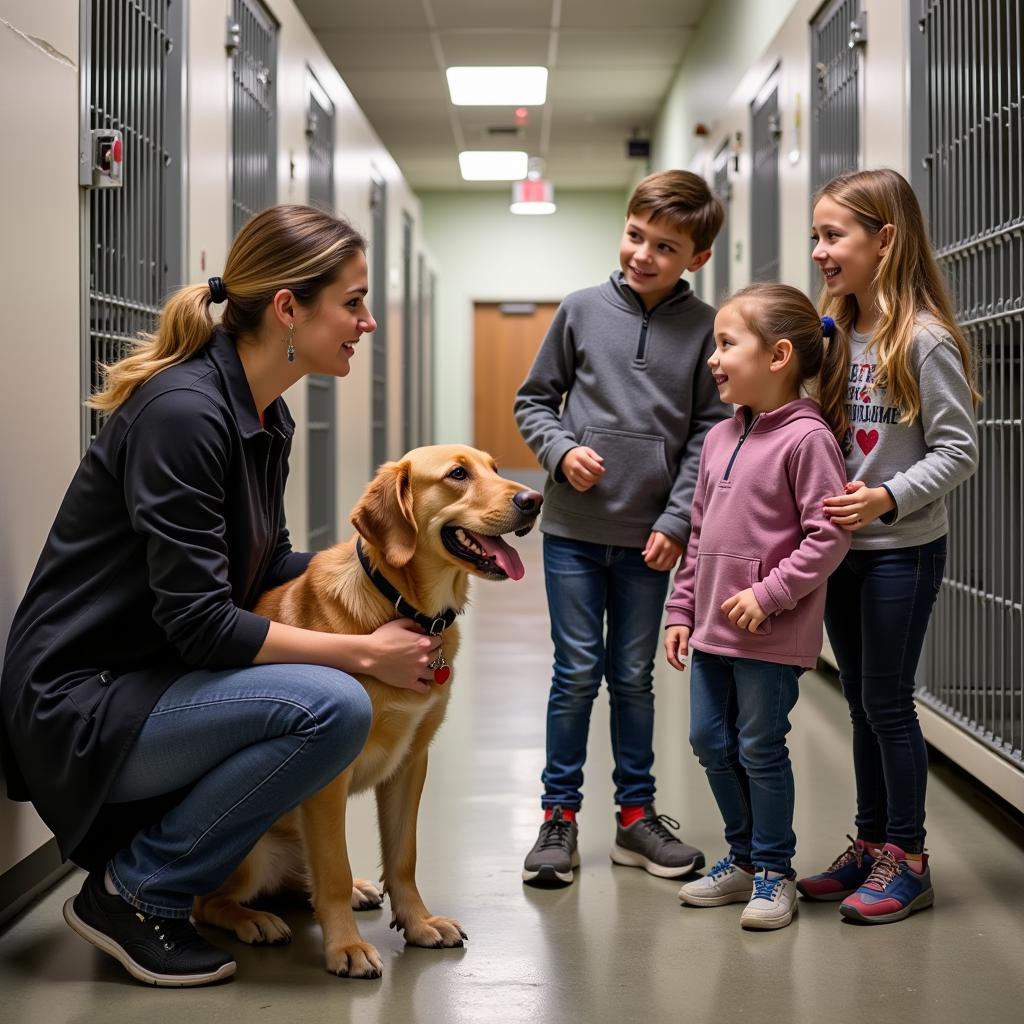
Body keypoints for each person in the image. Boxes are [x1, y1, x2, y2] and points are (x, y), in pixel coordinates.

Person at [0, 204, 444, 986]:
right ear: (286, 310)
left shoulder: (263, 414)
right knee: (332, 702)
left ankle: (192, 875)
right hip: (87, 709)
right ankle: (132, 892)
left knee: (332, 688)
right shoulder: (184, 414)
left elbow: (267, 561)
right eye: (352, 302)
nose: (367, 322)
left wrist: (381, 582)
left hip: (158, 688)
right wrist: (364, 648)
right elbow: (203, 624)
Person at [514, 170, 729, 887]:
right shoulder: (578, 311)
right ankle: (559, 818)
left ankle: (636, 819)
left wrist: (676, 519)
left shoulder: (706, 331)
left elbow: (710, 433)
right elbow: (534, 402)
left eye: (665, 247)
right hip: (574, 532)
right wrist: (560, 450)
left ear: (695, 259)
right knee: (575, 672)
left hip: (650, 541)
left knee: (632, 676)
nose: (643, 254)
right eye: (636, 235)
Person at [796, 169, 980, 923]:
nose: (819, 251)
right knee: (861, 707)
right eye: (816, 235)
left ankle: (908, 858)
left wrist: (887, 495)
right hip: (845, 554)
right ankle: (870, 845)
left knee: (888, 702)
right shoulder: (834, 333)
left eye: (833, 235)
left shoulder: (923, 339)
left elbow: (959, 448)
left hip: (901, 551)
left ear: (886, 241)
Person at [666, 283, 851, 930]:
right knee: (707, 740)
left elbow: (829, 535)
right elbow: (699, 529)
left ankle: (774, 870)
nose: (713, 358)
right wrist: (681, 610)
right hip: (714, 627)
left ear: (777, 357)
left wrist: (770, 594)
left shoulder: (808, 439)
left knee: (758, 745)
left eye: (725, 344)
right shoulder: (720, 437)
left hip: (769, 632)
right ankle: (742, 858)